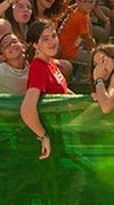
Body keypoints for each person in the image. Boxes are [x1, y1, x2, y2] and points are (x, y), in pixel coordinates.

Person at [20, 20, 70, 160]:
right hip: (49, 134)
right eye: (45, 39)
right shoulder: (38, 67)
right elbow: (27, 110)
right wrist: (43, 136)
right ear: (35, 45)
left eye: (54, 36)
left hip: (58, 129)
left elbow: (63, 90)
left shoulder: (50, 62)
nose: (52, 42)